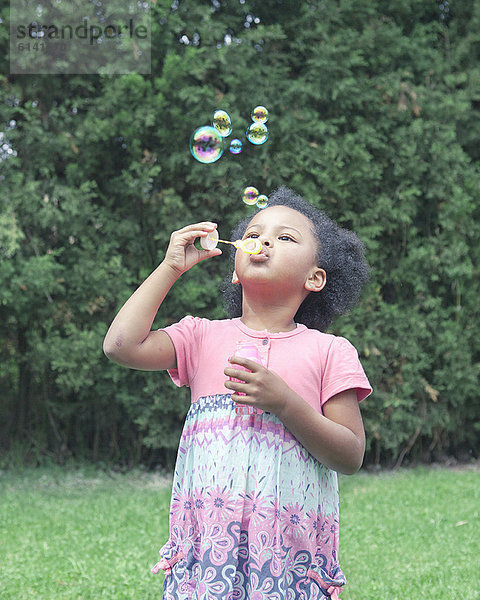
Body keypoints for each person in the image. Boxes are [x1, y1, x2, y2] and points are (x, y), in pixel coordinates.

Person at [103, 186, 372, 600]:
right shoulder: (199, 336)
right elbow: (120, 346)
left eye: (285, 237)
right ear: (235, 269)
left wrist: (285, 402)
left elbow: (350, 454)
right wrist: (170, 267)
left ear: (315, 278)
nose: (263, 239)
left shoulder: (330, 352)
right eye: (256, 231)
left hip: (287, 560)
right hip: (208, 554)